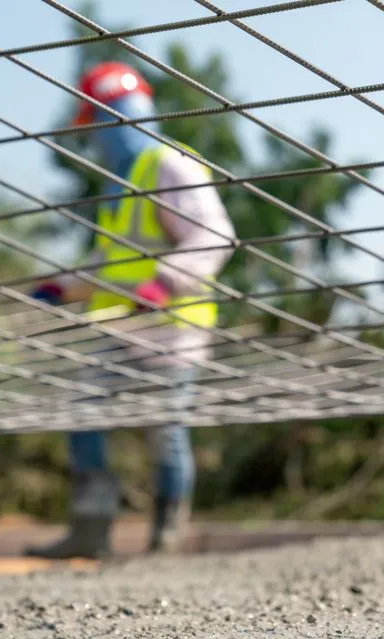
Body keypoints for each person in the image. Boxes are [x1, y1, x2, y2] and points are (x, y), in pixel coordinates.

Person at [26, 62, 235, 558]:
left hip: (171, 329)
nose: (95, 141)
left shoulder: (170, 164)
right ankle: (91, 530)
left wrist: (165, 281)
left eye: (97, 127)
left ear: (118, 117)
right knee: (82, 405)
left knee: (164, 430)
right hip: (121, 328)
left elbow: (216, 234)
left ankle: (165, 538)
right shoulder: (116, 184)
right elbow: (111, 261)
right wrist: (62, 287)